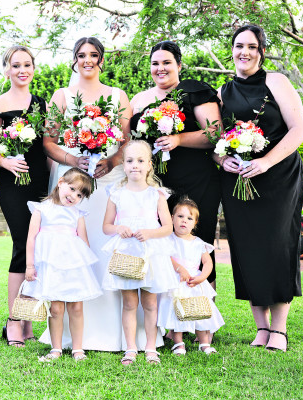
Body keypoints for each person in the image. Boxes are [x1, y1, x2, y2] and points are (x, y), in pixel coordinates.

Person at [42, 37, 158, 351]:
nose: (87, 60)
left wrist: (112, 160)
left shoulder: (117, 95)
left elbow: (126, 140)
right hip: (74, 181)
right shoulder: (62, 95)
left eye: (93, 55)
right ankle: (74, 331)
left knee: (111, 245)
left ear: (102, 60)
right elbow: (49, 142)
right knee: (74, 246)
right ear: (74, 60)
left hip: (109, 179)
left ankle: (118, 331)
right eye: (81, 55)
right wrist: (72, 159)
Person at [217, 25, 303, 352]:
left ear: (261, 51)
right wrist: (221, 160)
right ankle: (261, 327)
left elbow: (299, 130)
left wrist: (266, 162)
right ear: (232, 50)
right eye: (239, 45)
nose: (245, 52)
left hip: (278, 177)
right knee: (247, 249)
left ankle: (279, 330)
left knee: (278, 247)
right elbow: (216, 140)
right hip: (239, 180)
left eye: (252, 46)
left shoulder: (277, 82)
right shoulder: (222, 92)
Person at [130, 41, 222, 290]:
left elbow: (215, 133)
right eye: (155, 63)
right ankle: (166, 311)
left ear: (179, 65)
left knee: (197, 244)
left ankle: (203, 310)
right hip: (156, 185)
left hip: (196, 181)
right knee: (161, 246)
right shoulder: (139, 99)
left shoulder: (194, 91)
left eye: (167, 62)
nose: (160, 68)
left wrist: (179, 139)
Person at [0, 45, 49, 347]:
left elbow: (47, 146)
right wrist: (7, 162)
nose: (22, 70)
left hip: (40, 180)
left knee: (39, 248)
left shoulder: (42, 104)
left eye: (27, 64)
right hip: (12, 180)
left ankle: (28, 321)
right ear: (6, 70)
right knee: (23, 244)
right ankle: (13, 321)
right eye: (15, 65)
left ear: (33, 68)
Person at [101, 140, 179, 365]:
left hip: (150, 254)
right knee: (129, 303)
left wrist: (150, 233)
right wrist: (118, 228)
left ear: (149, 165)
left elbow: (168, 227)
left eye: (140, 160)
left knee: (151, 303)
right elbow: (106, 226)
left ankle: (151, 347)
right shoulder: (116, 193)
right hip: (126, 253)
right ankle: (130, 348)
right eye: (129, 161)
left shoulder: (157, 195)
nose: (135, 165)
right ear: (123, 165)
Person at [23, 168, 102, 361]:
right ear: (60, 182)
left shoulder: (77, 214)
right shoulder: (42, 209)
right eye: (72, 188)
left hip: (74, 267)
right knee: (56, 309)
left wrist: (85, 268)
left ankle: (77, 348)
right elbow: (31, 238)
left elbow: (84, 241)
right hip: (52, 268)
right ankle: (56, 348)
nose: (74, 196)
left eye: (80, 195)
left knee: (76, 307)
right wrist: (30, 265)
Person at [157, 197, 225, 355]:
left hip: (194, 281)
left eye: (189, 218)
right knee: (176, 311)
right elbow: (165, 257)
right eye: (180, 216)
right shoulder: (168, 239)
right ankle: (178, 343)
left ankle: (204, 343)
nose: (184, 221)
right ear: (172, 218)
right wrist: (179, 268)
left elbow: (207, 262)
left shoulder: (198, 242)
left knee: (199, 311)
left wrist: (202, 277)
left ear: (195, 223)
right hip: (176, 280)